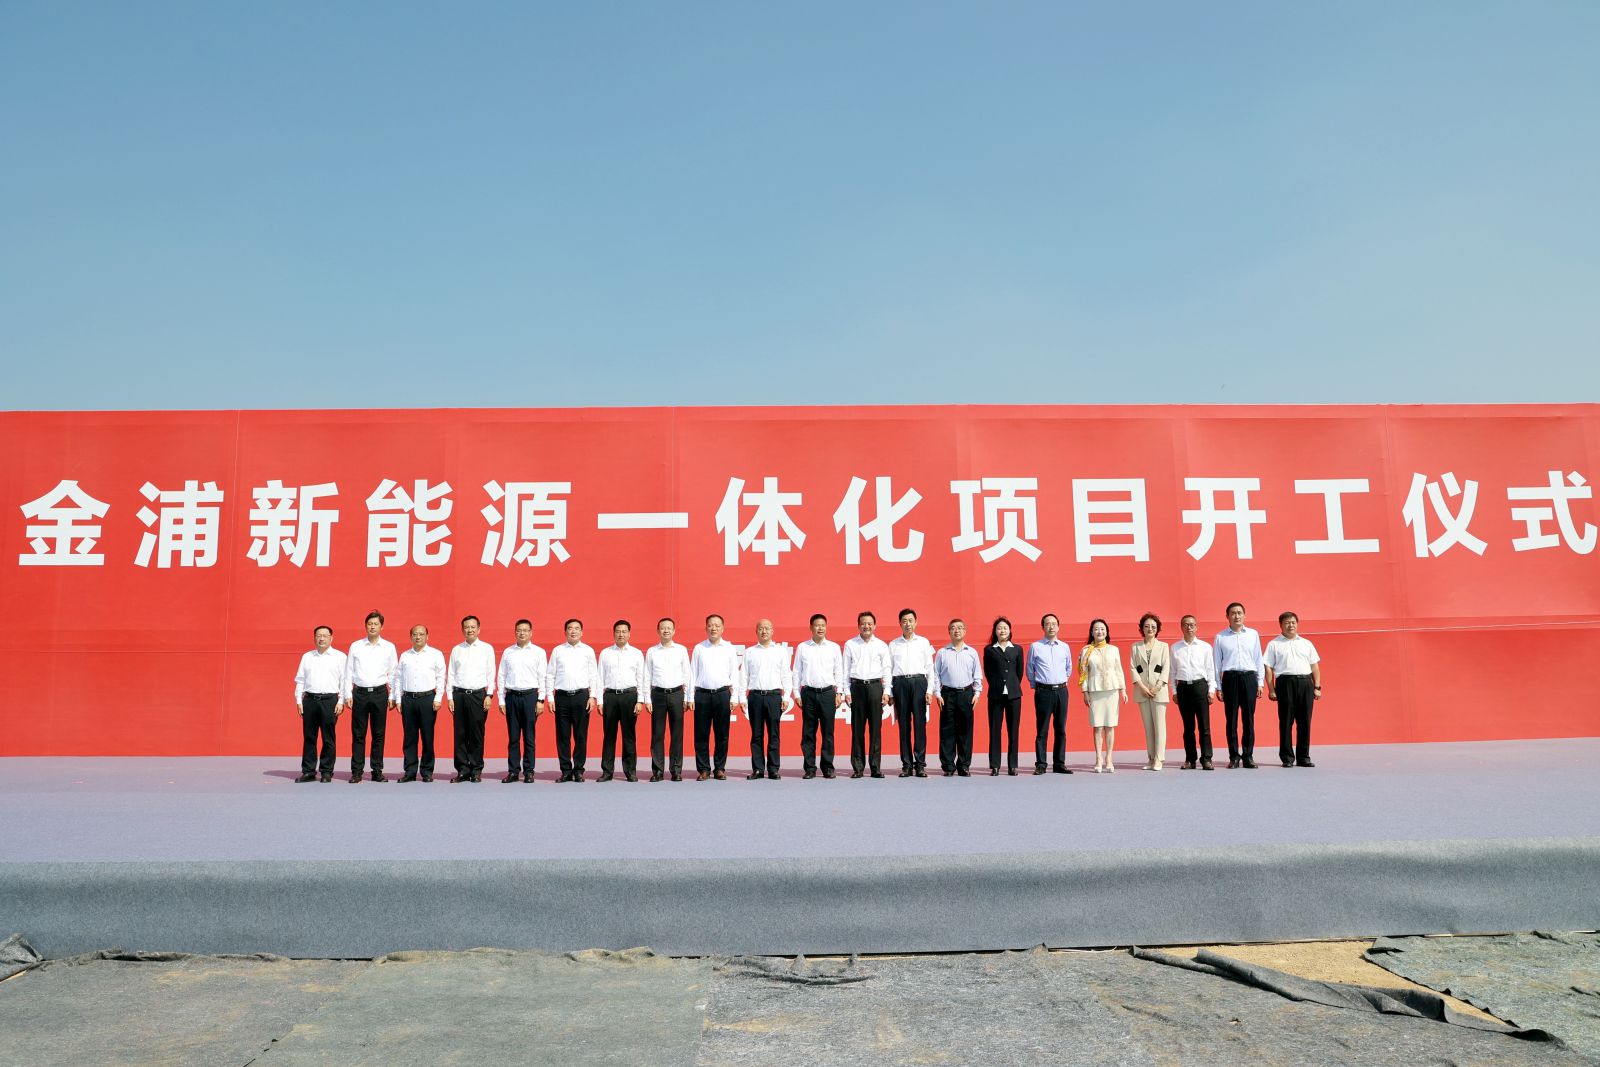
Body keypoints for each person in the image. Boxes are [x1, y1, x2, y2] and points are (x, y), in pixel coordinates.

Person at [342, 610, 397, 783]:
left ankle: (377, 771)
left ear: (381, 627)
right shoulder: (356, 646)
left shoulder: (389, 647)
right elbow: (348, 671)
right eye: (369, 624)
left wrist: (393, 695)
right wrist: (347, 693)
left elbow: (393, 673)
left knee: (378, 733)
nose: (372, 627)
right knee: (358, 734)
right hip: (360, 693)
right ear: (365, 626)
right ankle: (357, 771)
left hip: (380, 693)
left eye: (376, 624)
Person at [1263, 611, 1323, 768]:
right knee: (1286, 721)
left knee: (1305, 722)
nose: (1291, 625)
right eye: (1287, 622)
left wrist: (1317, 686)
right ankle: (1287, 758)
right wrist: (1271, 689)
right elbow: (1268, 668)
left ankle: (1303, 757)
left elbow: (1314, 666)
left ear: (1297, 624)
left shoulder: (1306, 643)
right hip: (1285, 683)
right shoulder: (1274, 644)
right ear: (1281, 625)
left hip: (1305, 683)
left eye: (1293, 622)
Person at [688, 614, 741, 780]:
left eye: (717, 625)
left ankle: (719, 768)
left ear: (722, 628)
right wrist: (690, 697)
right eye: (711, 625)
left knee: (722, 734)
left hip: (723, 694)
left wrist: (734, 697)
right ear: (706, 628)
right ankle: (703, 769)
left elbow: (734, 673)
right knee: (701, 734)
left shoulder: (729, 648)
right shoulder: (699, 648)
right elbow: (692, 673)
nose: (714, 628)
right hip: (702, 695)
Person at [791, 613, 844, 779]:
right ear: (811, 627)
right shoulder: (803, 647)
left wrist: (839, 692)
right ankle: (810, 768)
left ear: (826, 627)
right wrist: (796, 693)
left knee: (828, 732)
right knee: (808, 733)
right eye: (817, 625)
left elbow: (839, 671)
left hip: (828, 693)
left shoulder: (834, 647)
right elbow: (796, 671)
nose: (820, 628)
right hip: (808, 693)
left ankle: (827, 767)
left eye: (823, 625)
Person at [547, 619, 600, 783]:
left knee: (580, 735)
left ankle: (578, 770)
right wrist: (550, 697)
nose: (573, 631)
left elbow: (593, 675)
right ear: (565, 632)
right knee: (562, 736)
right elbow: (550, 674)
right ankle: (565, 771)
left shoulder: (588, 651)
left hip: (581, 697)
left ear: (582, 632)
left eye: (577, 628)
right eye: (570, 628)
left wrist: (592, 696)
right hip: (561, 697)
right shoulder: (558, 651)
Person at [1215, 602, 1265, 769]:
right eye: (1233, 613)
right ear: (1227, 616)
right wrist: (1218, 687)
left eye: (1239, 613)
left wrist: (1260, 682)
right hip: (1230, 679)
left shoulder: (1253, 634)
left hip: (1249, 678)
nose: (1236, 616)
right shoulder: (1220, 637)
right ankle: (1234, 757)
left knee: (1248, 719)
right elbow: (1217, 664)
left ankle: (1248, 756)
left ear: (1244, 615)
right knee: (1231, 720)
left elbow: (1258, 659)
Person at [446, 615, 496, 783]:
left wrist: (489, 695)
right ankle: (462, 770)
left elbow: (491, 673)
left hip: (478, 696)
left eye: (473, 627)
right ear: (462, 630)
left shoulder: (486, 649)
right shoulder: (456, 649)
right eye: (466, 627)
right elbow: (451, 674)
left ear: (478, 629)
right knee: (460, 733)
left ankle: (476, 769)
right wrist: (450, 697)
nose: (470, 630)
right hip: (459, 695)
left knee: (476, 733)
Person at [741, 619, 793, 780]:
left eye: (767, 628)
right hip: (755, 696)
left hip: (774, 696)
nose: (764, 631)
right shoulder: (750, 652)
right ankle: (758, 769)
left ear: (772, 631)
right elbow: (744, 676)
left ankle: (773, 769)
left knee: (773, 734)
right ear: (756, 631)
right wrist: (742, 696)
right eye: (761, 628)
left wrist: (786, 696)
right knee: (756, 735)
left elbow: (786, 675)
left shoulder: (780, 651)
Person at [888, 608, 937, 778]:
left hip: (919, 683)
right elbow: (889, 670)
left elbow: (930, 669)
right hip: (900, 684)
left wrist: (929, 690)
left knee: (919, 725)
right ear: (900, 623)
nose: (907, 624)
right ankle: (907, 765)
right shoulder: (893, 644)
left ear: (916, 622)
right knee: (904, 726)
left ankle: (920, 764)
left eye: (910, 620)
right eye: (904, 621)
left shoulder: (923, 642)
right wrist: (890, 692)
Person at [293, 625, 345, 783]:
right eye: (318, 636)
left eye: (325, 635)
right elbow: (300, 680)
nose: (322, 638)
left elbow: (344, 681)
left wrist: (341, 701)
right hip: (310, 700)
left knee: (328, 738)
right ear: (314, 638)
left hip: (330, 701)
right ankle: (308, 771)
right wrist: (298, 700)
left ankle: (326, 771)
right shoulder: (307, 657)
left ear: (331, 638)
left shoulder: (340, 657)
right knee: (309, 737)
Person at [843, 611, 892, 779]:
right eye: (863, 623)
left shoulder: (881, 645)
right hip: (857, 687)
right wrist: (846, 691)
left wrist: (886, 691)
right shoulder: (850, 644)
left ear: (874, 626)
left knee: (875, 730)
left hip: (875, 687)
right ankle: (858, 768)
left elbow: (887, 670)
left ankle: (875, 767)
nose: (866, 626)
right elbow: (845, 669)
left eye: (869, 623)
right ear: (858, 625)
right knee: (857, 730)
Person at [497, 619, 547, 783]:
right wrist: (501, 699)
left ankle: (529, 771)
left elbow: (542, 677)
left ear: (531, 633)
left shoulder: (538, 652)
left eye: (525, 630)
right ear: (515, 632)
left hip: (530, 697)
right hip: (512, 697)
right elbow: (501, 676)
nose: (522, 633)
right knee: (513, 737)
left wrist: (541, 700)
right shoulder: (508, 652)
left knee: (529, 737)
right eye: (519, 630)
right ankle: (513, 771)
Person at [598, 620, 647, 782]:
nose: (621, 634)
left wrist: (640, 700)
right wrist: (600, 701)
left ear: (629, 634)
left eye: (624, 631)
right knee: (609, 735)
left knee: (629, 735)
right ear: (614, 633)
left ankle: (630, 771)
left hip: (629, 696)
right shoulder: (605, 653)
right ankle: (607, 771)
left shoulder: (636, 653)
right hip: (610, 697)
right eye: (618, 631)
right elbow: (599, 678)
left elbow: (641, 678)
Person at [396, 624, 445, 782]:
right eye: (415, 634)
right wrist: (398, 699)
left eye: (421, 634)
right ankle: (410, 771)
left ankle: (427, 771)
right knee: (409, 737)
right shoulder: (405, 655)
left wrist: (438, 698)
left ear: (427, 636)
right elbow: (398, 678)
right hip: (408, 699)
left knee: (427, 736)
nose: (418, 637)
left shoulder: (435, 654)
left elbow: (441, 677)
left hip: (427, 699)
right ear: (411, 637)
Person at [643, 618, 691, 782]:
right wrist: (647, 699)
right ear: (658, 631)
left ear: (674, 631)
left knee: (677, 734)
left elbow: (687, 674)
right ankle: (657, 771)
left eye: (669, 628)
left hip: (677, 694)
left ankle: (676, 770)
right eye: (663, 628)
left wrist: (688, 697)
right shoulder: (652, 651)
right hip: (657, 695)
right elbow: (647, 675)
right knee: (657, 734)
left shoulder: (681, 650)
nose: (666, 631)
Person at [1169, 615, 1218, 770]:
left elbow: (1210, 670)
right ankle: (1190, 759)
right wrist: (1174, 691)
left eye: (1192, 624)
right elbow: (1172, 672)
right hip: (1183, 688)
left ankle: (1207, 759)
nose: (1189, 627)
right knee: (1188, 727)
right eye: (1185, 625)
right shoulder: (1175, 648)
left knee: (1204, 726)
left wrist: (1211, 690)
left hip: (1200, 687)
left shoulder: (1205, 647)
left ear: (1196, 627)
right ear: (1181, 627)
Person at [1078, 619, 1126, 773]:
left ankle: (1109, 758)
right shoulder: (1086, 651)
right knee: (1097, 726)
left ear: (1107, 632)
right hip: (1095, 691)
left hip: (1112, 690)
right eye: (1096, 629)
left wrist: (1123, 689)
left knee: (1110, 726)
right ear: (1092, 632)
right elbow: (1083, 674)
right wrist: (1085, 692)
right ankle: (1098, 758)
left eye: (1103, 629)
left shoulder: (1114, 649)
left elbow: (1119, 670)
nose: (1100, 632)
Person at [934, 619, 982, 776]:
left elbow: (977, 675)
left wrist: (977, 693)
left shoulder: (972, 652)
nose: (957, 631)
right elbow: (936, 675)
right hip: (947, 694)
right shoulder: (942, 652)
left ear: (965, 631)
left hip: (966, 694)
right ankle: (948, 766)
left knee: (965, 731)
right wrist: (937, 694)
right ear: (949, 631)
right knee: (947, 731)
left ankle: (964, 765)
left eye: (960, 628)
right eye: (953, 628)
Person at [1027, 614, 1073, 775]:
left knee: (1061, 728)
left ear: (1058, 627)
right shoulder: (1035, 647)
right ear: (1043, 627)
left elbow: (1069, 667)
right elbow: (1030, 669)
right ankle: (1041, 764)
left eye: (1054, 624)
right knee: (1042, 729)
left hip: (1061, 691)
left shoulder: (1065, 647)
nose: (1051, 627)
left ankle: (1059, 763)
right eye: (1048, 624)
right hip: (1043, 692)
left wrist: (1062, 682)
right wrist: (1037, 686)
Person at [982, 617, 1025, 775]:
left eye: (1005, 628)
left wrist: (1012, 685)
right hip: (995, 694)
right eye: (999, 628)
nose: (1002, 630)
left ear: (1010, 630)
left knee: (1013, 731)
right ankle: (995, 765)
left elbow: (1019, 672)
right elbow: (988, 672)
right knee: (995, 730)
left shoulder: (1017, 649)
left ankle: (1012, 765)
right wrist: (997, 684)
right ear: (995, 631)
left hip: (1014, 694)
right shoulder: (989, 650)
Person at [1129, 613, 1171, 771]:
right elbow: (1133, 668)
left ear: (1157, 628)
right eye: (1146, 626)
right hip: (1142, 691)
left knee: (1160, 726)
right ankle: (1151, 758)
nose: (1150, 629)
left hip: (1159, 691)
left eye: (1153, 626)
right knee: (1148, 727)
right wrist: (1142, 687)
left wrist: (1158, 686)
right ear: (1142, 628)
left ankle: (1159, 758)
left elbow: (1165, 667)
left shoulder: (1163, 646)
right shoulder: (1135, 647)